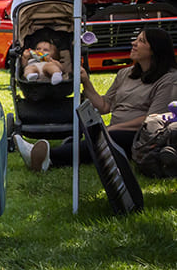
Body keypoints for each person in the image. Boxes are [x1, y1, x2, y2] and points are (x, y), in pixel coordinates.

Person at [15, 26, 177, 171]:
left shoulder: (168, 79)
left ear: (154, 50)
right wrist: (86, 81)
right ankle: (46, 156)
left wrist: (114, 129)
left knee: (104, 139)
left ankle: (47, 156)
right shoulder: (125, 74)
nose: (134, 43)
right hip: (115, 130)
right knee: (95, 140)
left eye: (141, 41)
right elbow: (104, 106)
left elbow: (154, 119)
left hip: (141, 137)